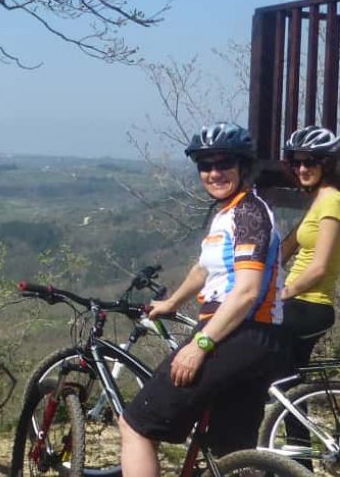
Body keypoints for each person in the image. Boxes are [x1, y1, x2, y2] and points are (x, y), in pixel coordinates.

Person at [118, 122, 290, 477]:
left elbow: (245, 291)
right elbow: (203, 269)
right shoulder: (229, 212)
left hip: (237, 332)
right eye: (205, 165)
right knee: (229, 451)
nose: (214, 173)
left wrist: (200, 344)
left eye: (224, 163)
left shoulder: (248, 213)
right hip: (249, 337)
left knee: (136, 426)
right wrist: (173, 302)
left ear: (243, 167)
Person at [277, 125, 340, 367]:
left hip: (310, 303)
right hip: (300, 301)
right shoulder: (320, 199)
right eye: (296, 163)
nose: (302, 169)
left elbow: (319, 267)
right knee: (284, 381)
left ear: (326, 164)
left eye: (309, 162)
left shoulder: (332, 201)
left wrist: (282, 295)